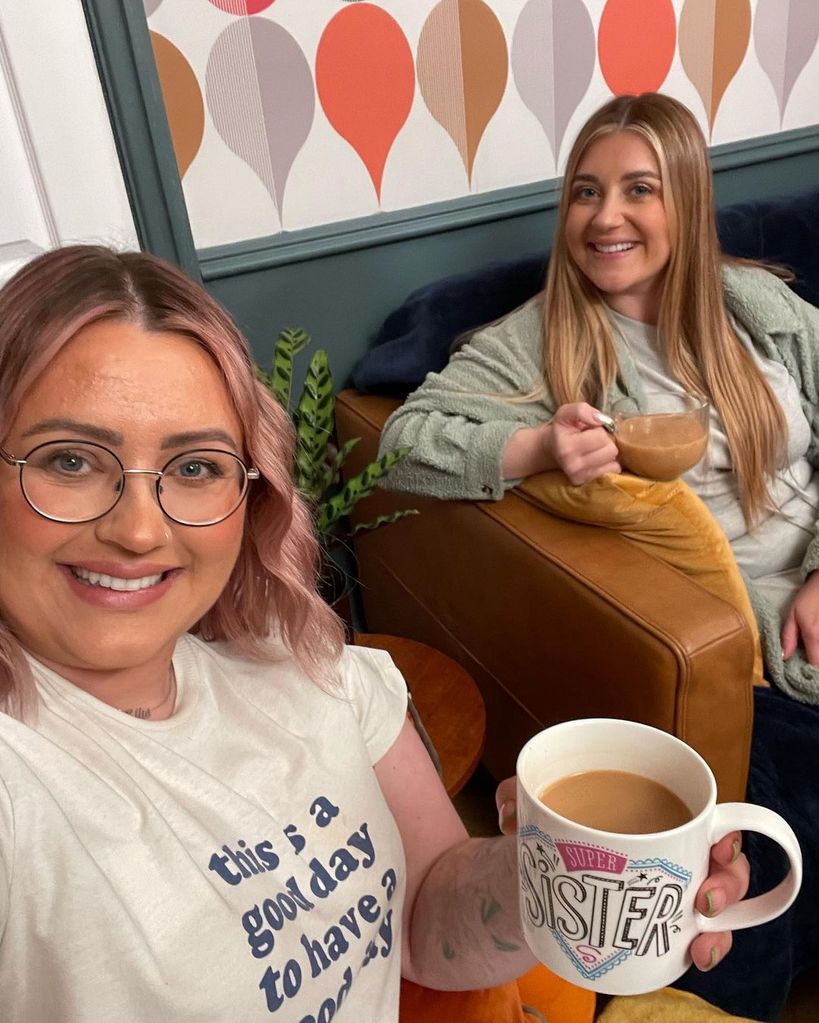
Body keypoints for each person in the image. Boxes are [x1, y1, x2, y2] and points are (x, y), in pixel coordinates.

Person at [0, 245, 745, 1022]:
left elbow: (422, 916)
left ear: (250, 492)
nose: (140, 529)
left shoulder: (323, 674)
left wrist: (551, 876)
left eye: (194, 467)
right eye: (72, 459)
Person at [378, 92, 819, 1019]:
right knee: (750, 862)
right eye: (584, 191)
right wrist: (536, 447)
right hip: (739, 640)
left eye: (637, 189)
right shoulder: (545, 337)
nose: (604, 216)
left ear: (687, 204)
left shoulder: (761, 307)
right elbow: (404, 439)